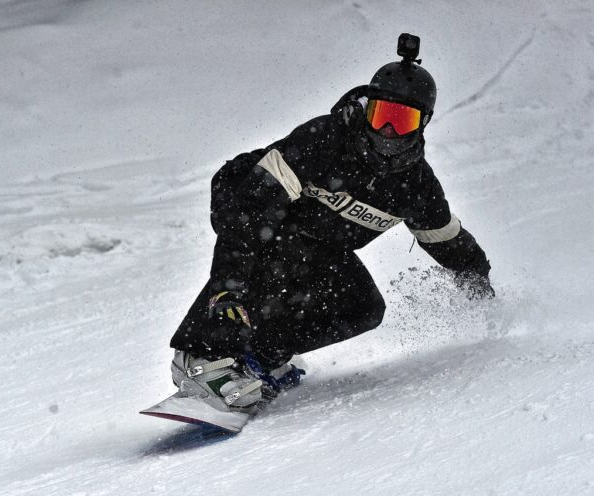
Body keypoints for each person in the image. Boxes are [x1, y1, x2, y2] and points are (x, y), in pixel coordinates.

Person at [168, 34, 493, 412]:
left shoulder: (415, 188)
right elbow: (252, 212)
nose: (387, 131)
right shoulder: (324, 140)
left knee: (363, 306)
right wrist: (227, 291)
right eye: (381, 115)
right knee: (275, 251)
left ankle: (259, 359)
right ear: (367, 109)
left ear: (423, 125)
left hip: (315, 236)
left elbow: (447, 241)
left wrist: (480, 287)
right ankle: (201, 356)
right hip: (248, 197)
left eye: (401, 120)